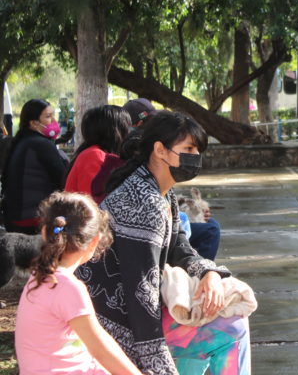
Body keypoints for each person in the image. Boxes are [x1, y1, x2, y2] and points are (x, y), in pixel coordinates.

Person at [77, 111, 250, 374]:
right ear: (159, 150)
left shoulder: (159, 191)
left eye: (198, 149)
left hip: (124, 314)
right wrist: (158, 366)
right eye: (188, 148)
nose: (196, 156)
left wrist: (208, 272)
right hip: (110, 324)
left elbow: (180, 244)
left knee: (223, 317)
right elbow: (141, 294)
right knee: (231, 327)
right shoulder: (144, 201)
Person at [15, 191, 142, 374]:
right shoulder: (67, 287)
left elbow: (100, 340)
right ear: (95, 241)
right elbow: (101, 350)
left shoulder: (40, 276)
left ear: (44, 232)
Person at [1, 99, 68, 234]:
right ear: (33, 123)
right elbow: (63, 179)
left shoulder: (23, 141)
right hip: (33, 221)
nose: (54, 121)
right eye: (48, 117)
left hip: (14, 218)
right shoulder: (41, 144)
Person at [65, 105, 132, 203]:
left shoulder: (94, 153)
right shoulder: (94, 155)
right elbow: (95, 201)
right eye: (128, 126)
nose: (130, 132)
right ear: (115, 131)